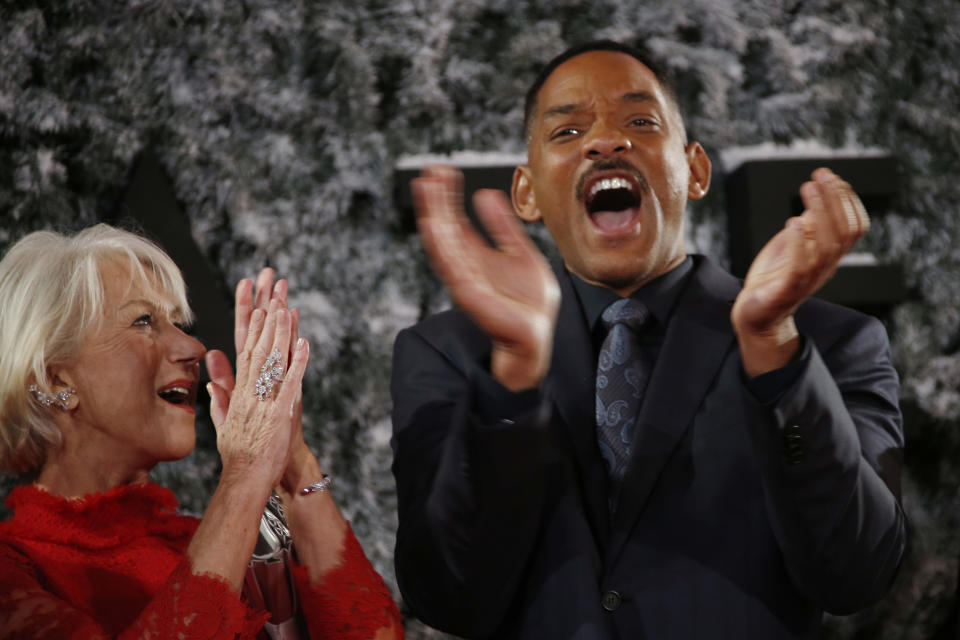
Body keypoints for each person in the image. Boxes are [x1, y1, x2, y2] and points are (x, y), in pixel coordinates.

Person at [390, 40, 905, 639]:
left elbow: (857, 576)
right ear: (526, 193)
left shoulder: (832, 342)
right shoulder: (445, 352)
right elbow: (447, 597)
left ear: (695, 171)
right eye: (567, 131)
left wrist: (773, 349)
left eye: (640, 121)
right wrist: (513, 379)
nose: (606, 141)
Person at [0, 224, 403, 639]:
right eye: (143, 321)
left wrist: (292, 458)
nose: (193, 348)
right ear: (55, 381)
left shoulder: (208, 546)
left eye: (179, 323)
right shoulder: (12, 571)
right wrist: (245, 473)